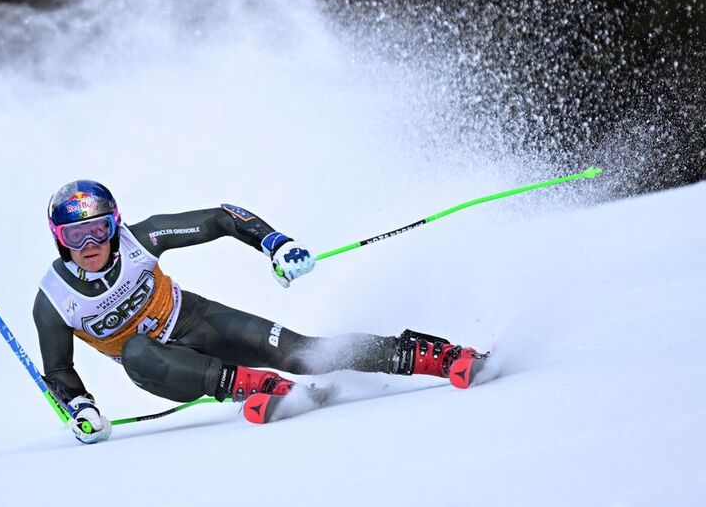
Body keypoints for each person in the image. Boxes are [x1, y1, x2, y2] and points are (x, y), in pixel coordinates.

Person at [34, 180, 481, 444]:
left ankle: (438, 356)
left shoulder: (141, 240)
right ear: (60, 239)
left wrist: (277, 244)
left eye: (98, 230)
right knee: (135, 350)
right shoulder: (54, 298)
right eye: (76, 237)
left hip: (195, 319)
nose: (89, 245)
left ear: (115, 226)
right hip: (163, 369)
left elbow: (222, 216)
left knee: (304, 353)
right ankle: (262, 387)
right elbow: (58, 368)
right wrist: (80, 408)